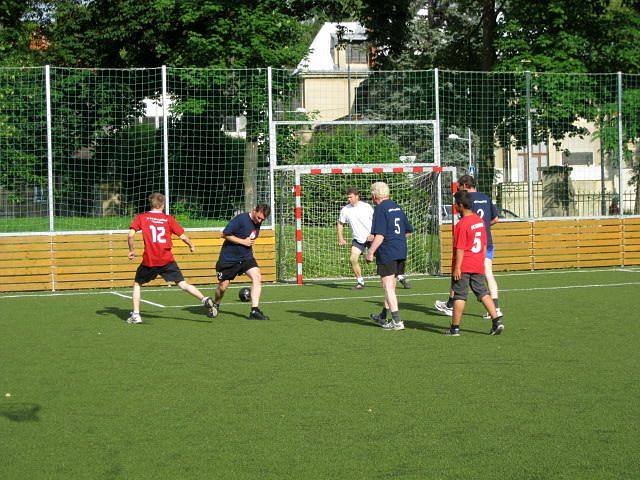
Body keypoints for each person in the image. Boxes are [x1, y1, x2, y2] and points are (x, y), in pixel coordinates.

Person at [127, 193, 215, 324]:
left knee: (137, 284)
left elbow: (130, 235)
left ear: (151, 204)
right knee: (182, 284)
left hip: (150, 260)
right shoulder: (168, 219)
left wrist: (132, 250)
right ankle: (204, 299)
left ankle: (136, 315)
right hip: (167, 259)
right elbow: (183, 236)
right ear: (162, 205)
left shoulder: (142, 217)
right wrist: (191, 245)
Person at [435, 174, 501, 319]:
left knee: (459, 273)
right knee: (487, 273)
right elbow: (495, 218)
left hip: (471, 243)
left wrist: (474, 228)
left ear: (465, 185)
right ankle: (496, 308)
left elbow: (467, 219)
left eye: (459, 187)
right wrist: (482, 228)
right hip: (486, 241)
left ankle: (451, 305)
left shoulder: (467, 200)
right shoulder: (486, 197)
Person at [444, 191, 504, 336]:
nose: (455, 207)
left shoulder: (462, 224)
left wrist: (457, 267)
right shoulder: (479, 221)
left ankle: (455, 328)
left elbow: (460, 248)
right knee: (483, 292)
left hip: (464, 265)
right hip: (478, 263)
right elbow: (484, 244)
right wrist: (481, 261)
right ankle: (496, 321)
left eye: (456, 204)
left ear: (460, 205)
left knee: (459, 295)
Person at [210, 204, 271, 320]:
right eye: (259, 218)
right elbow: (224, 234)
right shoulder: (241, 219)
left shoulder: (258, 222)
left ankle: (254, 310)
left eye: (263, 219)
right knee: (223, 286)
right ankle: (215, 304)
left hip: (246, 258)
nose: (260, 221)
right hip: (229, 259)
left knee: (257, 277)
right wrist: (243, 242)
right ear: (254, 211)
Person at [366, 182, 413, 330]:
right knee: (390, 285)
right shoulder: (397, 206)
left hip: (387, 251)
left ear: (374, 195)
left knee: (387, 286)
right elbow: (408, 230)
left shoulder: (380, 208)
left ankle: (397, 321)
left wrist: (370, 252)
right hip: (401, 249)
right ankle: (383, 315)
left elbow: (379, 236)